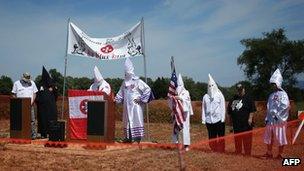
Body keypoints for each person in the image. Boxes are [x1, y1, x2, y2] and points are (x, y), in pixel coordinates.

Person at [115, 58, 153, 143]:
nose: (126, 73)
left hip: (135, 106)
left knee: (136, 120)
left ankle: (137, 139)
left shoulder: (137, 81)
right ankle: (128, 138)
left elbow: (147, 89)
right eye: (125, 72)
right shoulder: (124, 82)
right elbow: (120, 93)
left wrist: (141, 98)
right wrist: (116, 99)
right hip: (126, 106)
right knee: (127, 121)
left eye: (128, 72)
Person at [263, 69, 289, 159]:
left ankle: (280, 154)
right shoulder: (271, 95)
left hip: (279, 119)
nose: (272, 86)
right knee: (269, 136)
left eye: (273, 84)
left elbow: (285, 106)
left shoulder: (283, 94)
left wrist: (277, 115)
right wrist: (267, 117)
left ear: (278, 83)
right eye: (271, 84)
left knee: (280, 136)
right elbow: (268, 107)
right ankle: (269, 153)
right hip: (270, 120)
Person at [228, 83, 256, 155]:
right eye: (238, 90)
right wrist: (230, 124)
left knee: (247, 138)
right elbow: (230, 112)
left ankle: (247, 152)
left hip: (246, 123)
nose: (240, 91)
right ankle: (238, 151)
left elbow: (252, 110)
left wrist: (250, 119)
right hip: (236, 123)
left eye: (241, 90)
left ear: (244, 89)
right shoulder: (233, 99)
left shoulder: (249, 98)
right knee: (237, 138)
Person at [202, 74, 226, 152]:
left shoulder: (219, 95)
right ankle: (213, 149)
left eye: (212, 85)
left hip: (218, 119)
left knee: (221, 135)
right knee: (211, 136)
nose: (211, 87)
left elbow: (223, 107)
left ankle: (221, 149)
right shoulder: (205, 96)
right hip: (209, 120)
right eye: (209, 86)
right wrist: (203, 119)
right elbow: (203, 108)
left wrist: (223, 118)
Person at [170, 74, 194, 151]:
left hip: (185, 114)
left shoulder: (186, 92)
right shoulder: (174, 92)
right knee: (176, 128)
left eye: (180, 85)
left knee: (185, 128)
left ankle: (186, 145)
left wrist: (180, 98)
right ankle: (177, 144)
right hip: (177, 113)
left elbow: (187, 101)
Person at [11, 72, 38, 139]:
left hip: (30, 105)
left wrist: (32, 102)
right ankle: (21, 134)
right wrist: (17, 103)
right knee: (20, 120)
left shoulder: (32, 83)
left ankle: (33, 135)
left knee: (32, 120)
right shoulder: (16, 83)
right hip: (20, 106)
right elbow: (13, 94)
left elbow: (35, 94)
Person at [36, 66, 58, 139]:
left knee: (51, 120)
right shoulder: (39, 85)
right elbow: (37, 95)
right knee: (42, 120)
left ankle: (52, 133)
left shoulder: (53, 85)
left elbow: (56, 96)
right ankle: (43, 134)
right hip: (42, 108)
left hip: (51, 107)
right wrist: (39, 103)